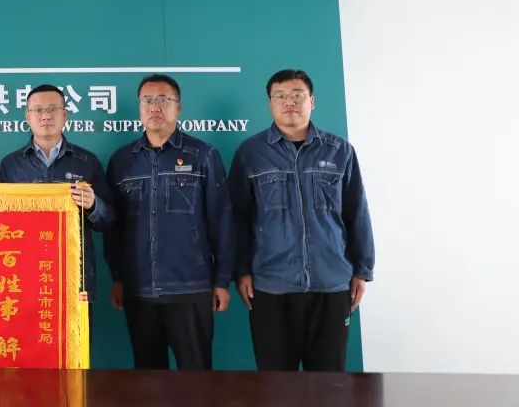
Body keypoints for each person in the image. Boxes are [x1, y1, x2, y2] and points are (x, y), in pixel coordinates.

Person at [229, 69, 374, 372]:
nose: (289, 102)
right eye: (280, 96)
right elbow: (238, 218)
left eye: (297, 95)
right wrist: (240, 270)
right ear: (270, 103)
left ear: (312, 101)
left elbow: (356, 211)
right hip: (271, 285)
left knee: (328, 382)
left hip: (331, 283)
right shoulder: (250, 153)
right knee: (275, 383)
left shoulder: (340, 151)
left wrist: (363, 269)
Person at [104, 74, 234, 370]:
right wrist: (118, 278)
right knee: (148, 380)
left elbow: (222, 220)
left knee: (197, 377)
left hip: (191, 287)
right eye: (147, 101)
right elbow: (114, 229)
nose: (155, 107)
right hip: (139, 290)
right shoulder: (122, 161)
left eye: (163, 100)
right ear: (139, 108)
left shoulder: (203, 155)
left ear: (178, 107)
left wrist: (221, 281)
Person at [0, 84, 113, 305]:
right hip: (25, 276)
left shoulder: (86, 162)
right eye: (38, 110)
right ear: (27, 117)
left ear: (64, 115)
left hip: (76, 276)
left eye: (53, 109)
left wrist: (93, 205)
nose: (46, 115)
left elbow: (108, 220)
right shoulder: (11, 165)